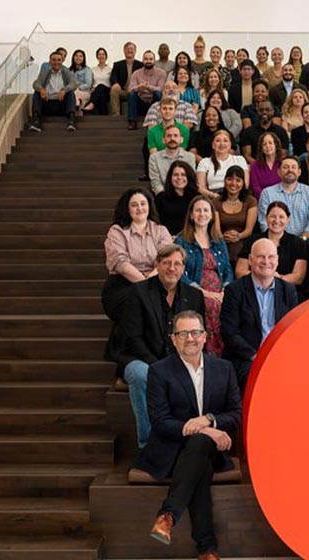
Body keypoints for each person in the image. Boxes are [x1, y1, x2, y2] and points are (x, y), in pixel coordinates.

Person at [138, 311, 242, 560]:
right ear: (173, 339)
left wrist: (208, 419)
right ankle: (207, 549)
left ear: (205, 337)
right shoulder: (159, 371)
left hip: (209, 449)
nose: (190, 338)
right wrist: (207, 429)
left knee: (199, 448)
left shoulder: (224, 369)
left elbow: (236, 414)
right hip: (172, 449)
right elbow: (160, 421)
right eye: (183, 333)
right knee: (200, 465)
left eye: (195, 332)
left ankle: (168, 515)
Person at [119, 245, 206, 448]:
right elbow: (132, 339)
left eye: (177, 264)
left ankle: (190, 442)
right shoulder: (138, 292)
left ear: (183, 268)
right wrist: (161, 368)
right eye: (166, 263)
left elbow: (197, 335)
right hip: (141, 358)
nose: (171, 268)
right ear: (157, 265)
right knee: (141, 374)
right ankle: (148, 444)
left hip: (179, 360)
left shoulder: (194, 296)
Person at [103, 189, 175, 362]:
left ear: (149, 206)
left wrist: (149, 283)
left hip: (156, 282)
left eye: (143, 204)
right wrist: (145, 285)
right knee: (135, 304)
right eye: (134, 205)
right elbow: (120, 263)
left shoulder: (160, 230)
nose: (139, 208)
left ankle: (155, 358)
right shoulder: (117, 231)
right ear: (127, 209)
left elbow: (166, 259)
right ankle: (128, 360)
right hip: (122, 285)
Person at [221, 238, 298, 389]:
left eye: (271, 257)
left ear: (277, 260)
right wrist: (255, 356)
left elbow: (293, 331)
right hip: (246, 358)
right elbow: (229, 332)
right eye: (261, 256)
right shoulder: (235, 290)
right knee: (261, 380)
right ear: (250, 260)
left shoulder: (288, 291)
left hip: (279, 356)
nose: (266, 261)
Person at [174, 196, 234, 356]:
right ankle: (212, 353)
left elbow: (228, 270)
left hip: (219, 291)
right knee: (211, 305)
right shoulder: (182, 241)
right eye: (198, 210)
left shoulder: (218, 241)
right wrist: (204, 292)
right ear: (191, 215)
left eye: (206, 210)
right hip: (195, 291)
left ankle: (227, 354)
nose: (202, 214)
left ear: (212, 215)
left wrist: (225, 291)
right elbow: (180, 273)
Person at [235, 201, 308, 287]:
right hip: (254, 288)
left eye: (281, 217)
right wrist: (265, 277)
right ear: (266, 218)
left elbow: (298, 277)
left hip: (285, 289)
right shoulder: (253, 240)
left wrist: (278, 279)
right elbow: (239, 271)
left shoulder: (297, 243)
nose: (276, 221)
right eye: (273, 216)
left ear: (288, 219)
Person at [257, 157, 309, 240]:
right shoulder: (267, 193)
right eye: (285, 167)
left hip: (304, 241)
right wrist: (279, 240)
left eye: (293, 167)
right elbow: (264, 222)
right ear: (278, 172)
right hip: (275, 241)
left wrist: (302, 239)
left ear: (299, 172)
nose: (290, 170)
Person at [213, 166, 258, 264]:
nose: (233, 183)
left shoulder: (250, 201)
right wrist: (224, 238)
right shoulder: (216, 202)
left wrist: (238, 236)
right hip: (222, 241)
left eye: (238, 180)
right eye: (230, 179)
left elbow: (249, 230)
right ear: (225, 181)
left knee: (237, 248)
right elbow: (217, 231)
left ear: (243, 183)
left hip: (244, 240)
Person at [28, 51, 79, 132]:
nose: (56, 62)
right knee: (37, 93)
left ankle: (71, 121)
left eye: (59, 60)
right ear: (50, 61)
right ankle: (36, 122)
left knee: (70, 93)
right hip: (47, 103)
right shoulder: (45, 72)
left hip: (61, 104)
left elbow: (74, 84)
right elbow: (36, 83)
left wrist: (64, 90)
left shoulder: (66, 72)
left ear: (62, 61)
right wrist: (41, 89)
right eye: (54, 60)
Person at [196, 130, 248, 199]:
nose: (222, 144)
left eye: (225, 141)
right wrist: (213, 195)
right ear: (213, 145)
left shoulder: (240, 160)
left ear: (230, 145)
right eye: (218, 141)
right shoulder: (204, 162)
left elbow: (245, 184)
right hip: (212, 197)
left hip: (235, 195)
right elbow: (201, 187)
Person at [148, 124, 197, 195]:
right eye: (169, 136)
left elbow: (191, 180)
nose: (172, 139)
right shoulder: (154, 158)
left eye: (175, 135)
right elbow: (156, 183)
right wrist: (166, 197)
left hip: (186, 195)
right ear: (163, 140)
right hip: (163, 196)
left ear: (181, 140)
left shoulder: (190, 157)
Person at [155, 160, 199, 234]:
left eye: (183, 175)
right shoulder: (160, 198)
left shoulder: (197, 198)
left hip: (191, 237)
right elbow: (155, 222)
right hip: (167, 238)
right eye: (175, 175)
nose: (179, 177)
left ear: (189, 177)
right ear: (170, 177)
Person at [127, 51, 168, 129]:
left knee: (158, 93)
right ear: (142, 60)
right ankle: (132, 121)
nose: (148, 61)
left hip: (154, 103)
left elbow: (161, 88)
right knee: (131, 94)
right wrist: (139, 87)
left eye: (151, 59)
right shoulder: (136, 73)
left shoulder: (162, 73)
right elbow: (130, 89)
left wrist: (148, 87)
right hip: (140, 103)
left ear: (154, 61)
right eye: (146, 59)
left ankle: (157, 120)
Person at [248, 132, 284, 199]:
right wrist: (268, 198)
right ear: (261, 148)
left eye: (270, 143)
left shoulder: (283, 163)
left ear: (276, 145)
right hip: (263, 199)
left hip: (282, 199)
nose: (267, 146)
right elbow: (256, 187)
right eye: (264, 144)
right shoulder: (254, 166)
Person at [109, 42, 140, 117]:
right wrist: (115, 83)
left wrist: (135, 88)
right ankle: (116, 115)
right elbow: (113, 76)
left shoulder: (140, 65)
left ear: (135, 51)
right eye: (128, 49)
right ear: (124, 51)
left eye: (132, 49)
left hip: (135, 90)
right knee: (114, 89)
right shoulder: (118, 64)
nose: (130, 51)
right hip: (122, 91)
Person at [89, 47, 112, 115]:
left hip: (107, 90)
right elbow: (90, 82)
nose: (101, 56)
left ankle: (92, 103)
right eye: (99, 54)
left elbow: (112, 82)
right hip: (95, 91)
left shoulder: (110, 69)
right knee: (102, 96)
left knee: (101, 86)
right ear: (97, 57)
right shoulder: (92, 69)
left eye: (103, 54)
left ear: (106, 56)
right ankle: (104, 117)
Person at [69, 49, 93, 114]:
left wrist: (78, 88)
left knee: (74, 93)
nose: (78, 58)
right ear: (73, 57)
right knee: (71, 93)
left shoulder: (87, 70)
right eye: (76, 56)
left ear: (83, 58)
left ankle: (77, 104)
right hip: (73, 92)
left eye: (80, 56)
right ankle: (77, 105)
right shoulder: (69, 70)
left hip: (84, 92)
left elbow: (88, 84)